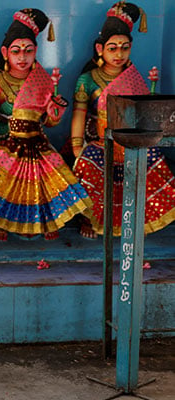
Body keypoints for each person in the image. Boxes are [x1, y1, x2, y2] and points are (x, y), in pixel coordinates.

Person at [0, 8, 92, 241]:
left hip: (37, 140)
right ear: (5, 52)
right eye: (16, 51)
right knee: (2, 181)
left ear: (36, 51)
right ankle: (1, 222)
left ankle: (46, 222)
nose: (22, 57)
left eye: (28, 51)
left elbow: (48, 123)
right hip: (6, 142)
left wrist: (55, 115)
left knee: (48, 179)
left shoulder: (43, 80)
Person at [71, 2, 175, 239]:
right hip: (99, 142)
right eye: (112, 48)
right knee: (88, 166)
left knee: (153, 162)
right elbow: (78, 114)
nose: (119, 54)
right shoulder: (88, 80)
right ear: (100, 49)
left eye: (125, 48)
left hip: (129, 141)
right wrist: (77, 146)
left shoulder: (134, 78)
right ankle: (91, 219)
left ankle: (141, 219)